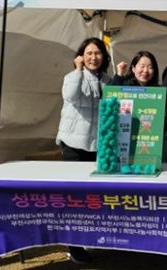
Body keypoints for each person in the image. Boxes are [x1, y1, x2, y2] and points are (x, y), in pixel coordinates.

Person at [55, 37, 111, 264]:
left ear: (104, 57)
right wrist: (78, 70)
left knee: (93, 197)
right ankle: (74, 245)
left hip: (97, 146)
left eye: (97, 53)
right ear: (81, 56)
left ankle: (88, 238)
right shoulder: (72, 76)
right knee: (74, 197)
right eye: (89, 53)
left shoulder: (107, 80)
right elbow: (70, 96)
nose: (93, 57)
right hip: (74, 145)